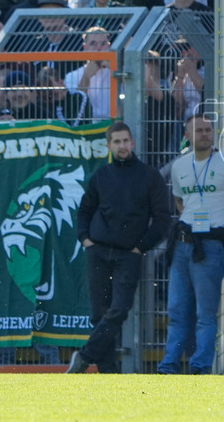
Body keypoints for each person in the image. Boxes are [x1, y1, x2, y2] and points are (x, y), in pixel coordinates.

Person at [67, 121, 171, 374]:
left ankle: (84, 356)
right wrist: (85, 239)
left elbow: (163, 219)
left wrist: (141, 247)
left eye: (126, 141)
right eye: (117, 142)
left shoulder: (149, 176)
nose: (122, 146)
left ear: (132, 143)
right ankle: (109, 375)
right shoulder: (100, 176)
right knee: (98, 314)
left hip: (129, 254)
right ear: (109, 145)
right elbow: (84, 211)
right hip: (98, 251)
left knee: (119, 310)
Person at [158, 114, 224, 375]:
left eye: (208, 130)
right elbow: (180, 202)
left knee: (205, 313)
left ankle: (200, 367)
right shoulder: (179, 166)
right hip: (182, 245)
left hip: (211, 247)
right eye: (199, 130)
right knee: (177, 311)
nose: (205, 134)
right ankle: (168, 366)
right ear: (187, 135)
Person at [63, 27, 112, 120]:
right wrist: (86, 77)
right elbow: (74, 107)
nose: (99, 48)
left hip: (114, 125)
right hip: (86, 125)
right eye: (93, 44)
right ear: (85, 47)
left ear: (108, 46)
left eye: (103, 44)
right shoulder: (72, 76)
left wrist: (114, 69)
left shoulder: (120, 72)